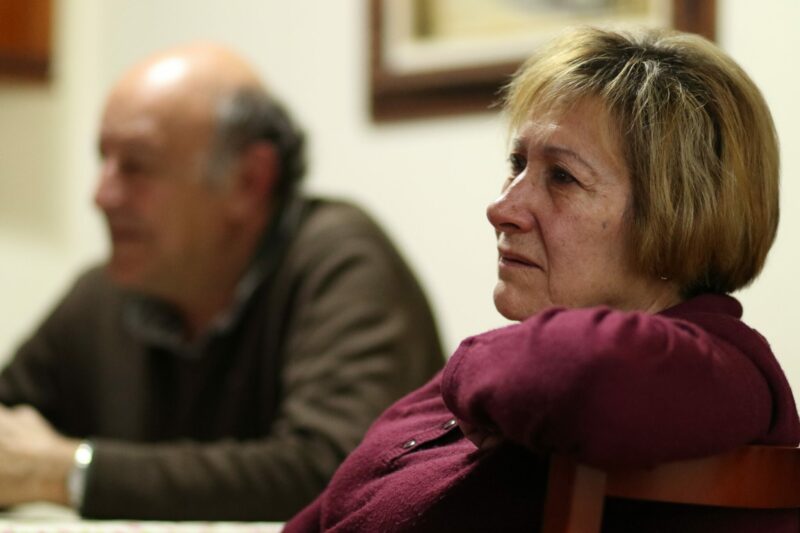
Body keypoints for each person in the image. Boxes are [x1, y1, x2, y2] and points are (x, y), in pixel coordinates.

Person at [283, 26, 800, 532]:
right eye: (517, 163)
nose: (501, 208)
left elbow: (582, 375)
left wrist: (468, 365)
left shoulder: (723, 371)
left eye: (562, 177)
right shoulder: (505, 366)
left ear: (677, 213)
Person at [0, 43, 444, 521]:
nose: (102, 195)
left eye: (136, 165)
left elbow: (336, 469)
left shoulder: (341, 260)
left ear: (248, 181)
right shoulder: (107, 293)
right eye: (103, 159)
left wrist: (72, 471)